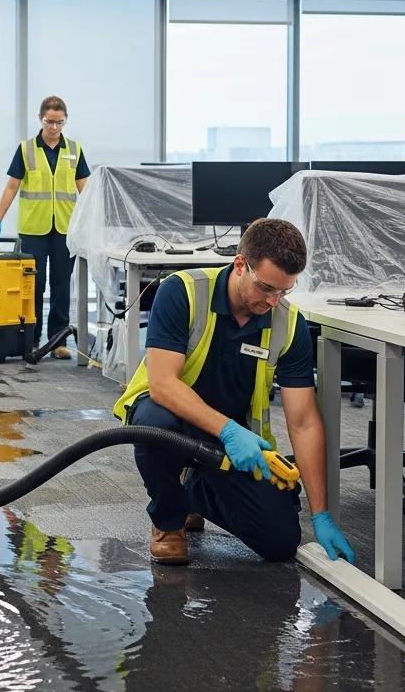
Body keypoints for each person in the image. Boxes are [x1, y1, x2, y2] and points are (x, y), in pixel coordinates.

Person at [113, 218, 354, 567]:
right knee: (154, 424)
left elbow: (303, 422)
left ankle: (194, 488)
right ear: (240, 264)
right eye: (267, 288)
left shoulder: (289, 324)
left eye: (284, 291)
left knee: (279, 541)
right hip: (174, 420)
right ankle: (168, 520)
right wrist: (227, 430)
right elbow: (163, 385)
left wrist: (321, 515)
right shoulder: (182, 291)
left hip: (234, 441)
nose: (274, 301)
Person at [0, 95, 89, 359]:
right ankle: (30, 339)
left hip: (65, 229)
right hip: (33, 229)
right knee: (34, 285)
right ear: (40, 119)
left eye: (59, 122)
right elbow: (12, 185)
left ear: (65, 120)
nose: (54, 128)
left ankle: (57, 340)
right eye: (49, 122)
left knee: (60, 285)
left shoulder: (74, 150)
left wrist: (91, 221)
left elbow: (84, 189)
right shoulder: (27, 149)